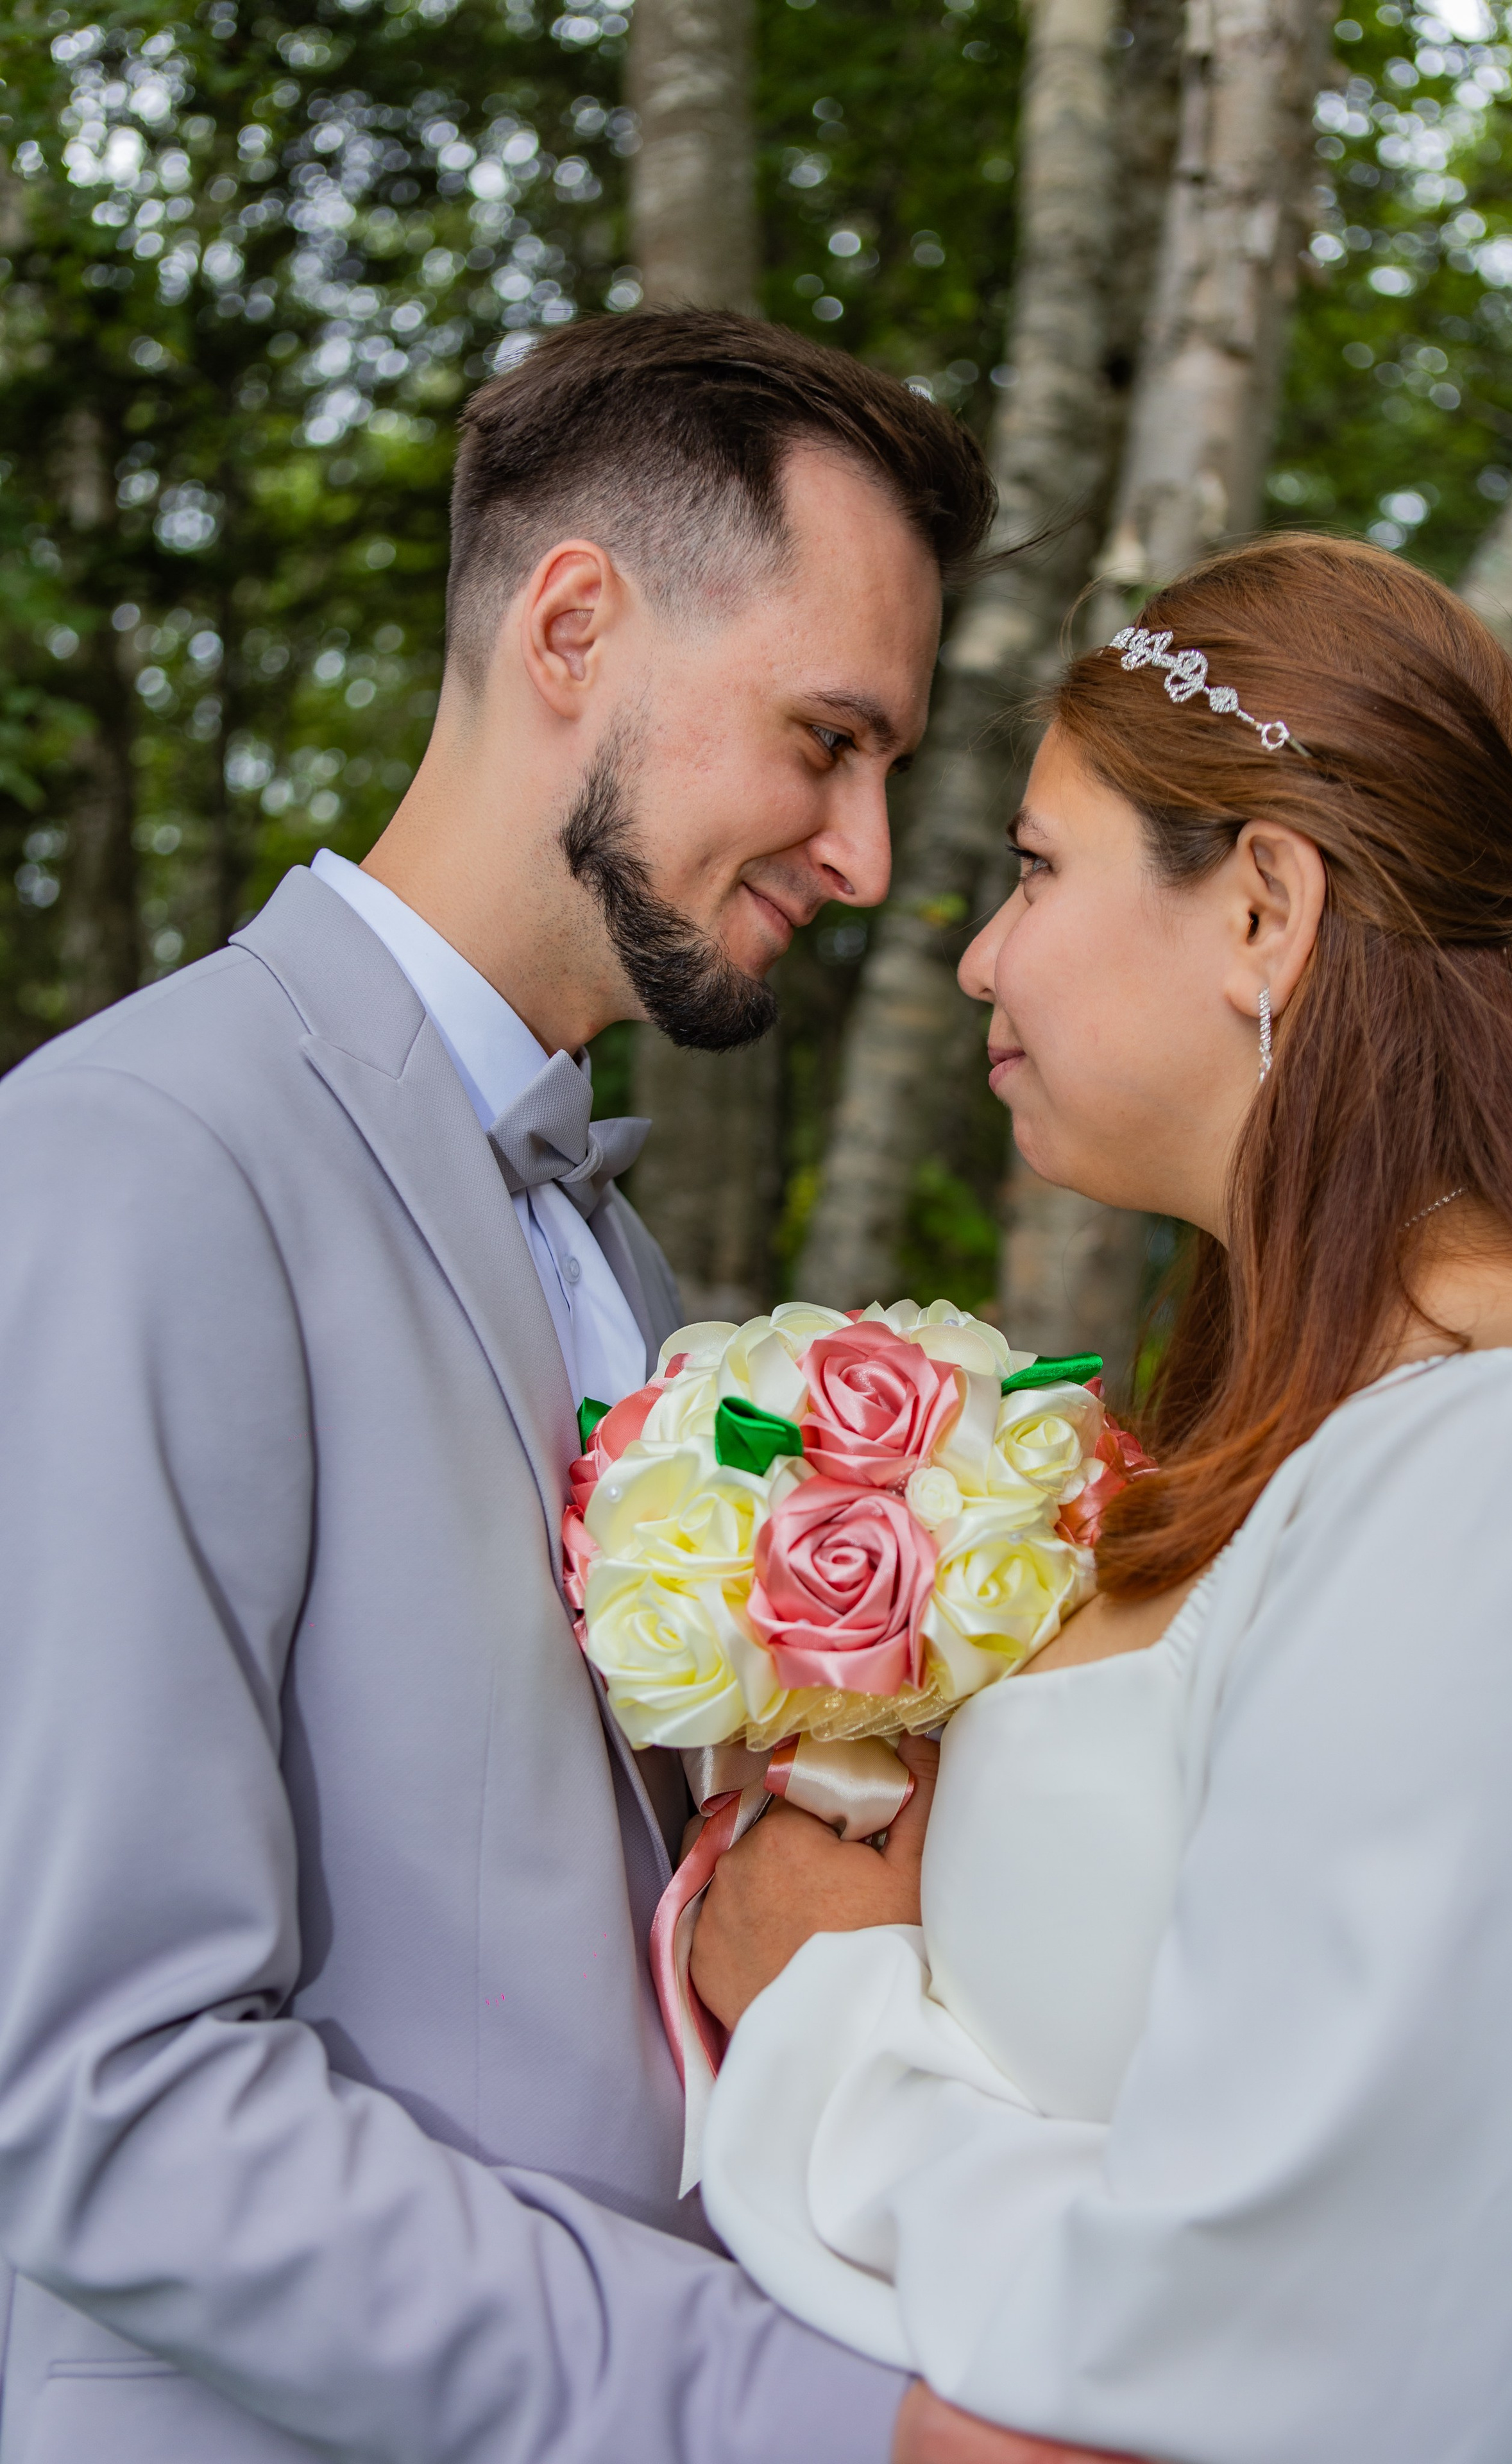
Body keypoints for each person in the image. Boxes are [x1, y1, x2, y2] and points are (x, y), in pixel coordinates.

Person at [0, 309, 1096, 2464]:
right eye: (826, 740)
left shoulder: (615, 1251)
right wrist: (821, 2421)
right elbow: (102, 2096)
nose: (866, 856)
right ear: (574, 627)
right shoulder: (136, 1160)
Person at [691, 533, 1512, 2464]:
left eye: (1038, 868)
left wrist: (819, 2018)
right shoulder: (1338, 1433)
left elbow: (1324, 2334)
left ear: (1263, 912)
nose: (980, 952)